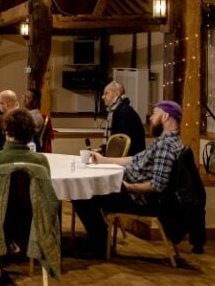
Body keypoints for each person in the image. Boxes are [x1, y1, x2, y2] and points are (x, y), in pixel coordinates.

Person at [72, 100, 185, 257]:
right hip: (130, 190)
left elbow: (157, 185)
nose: (151, 119)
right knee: (85, 191)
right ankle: (99, 241)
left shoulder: (166, 146)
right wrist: (104, 160)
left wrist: (128, 187)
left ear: (165, 116)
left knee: (81, 193)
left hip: (138, 198)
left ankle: (99, 245)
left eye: (154, 114)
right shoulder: (164, 141)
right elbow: (134, 159)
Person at [0, 108, 50, 261]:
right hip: (31, 221)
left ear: (6, 132)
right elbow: (45, 197)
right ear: (31, 132)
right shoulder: (40, 161)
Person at [101, 81, 146, 156]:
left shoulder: (124, 113)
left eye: (106, 93)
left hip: (130, 161)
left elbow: (121, 143)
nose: (103, 97)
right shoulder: (117, 111)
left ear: (117, 94)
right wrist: (102, 149)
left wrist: (104, 153)